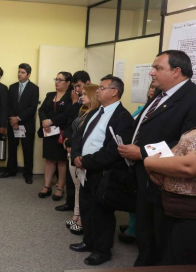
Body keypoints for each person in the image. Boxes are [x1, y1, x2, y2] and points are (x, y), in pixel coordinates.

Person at [118, 50, 196, 266]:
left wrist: (142, 153)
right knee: (145, 230)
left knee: (160, 236)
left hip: (165, 180)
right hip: (144, 175)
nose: (151, 72)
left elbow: (186, 144)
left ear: (177, 71)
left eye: (158, 68)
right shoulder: (162, 94)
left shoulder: (192, 97)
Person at [69, 75, 134, 266]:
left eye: (102, 88)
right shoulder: (95, 112)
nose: (97, 90)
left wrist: (86, 161)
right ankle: (89, 242)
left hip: (103, 172)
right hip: (86, 170)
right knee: (87, 208)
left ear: (114, 91)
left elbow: (113, 151)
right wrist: (76, 156)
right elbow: (78, 137)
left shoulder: (123, 117)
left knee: (101, 213)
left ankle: (102, 251)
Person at [144, 129, 196, 265]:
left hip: (190, 213)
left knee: (183, 263)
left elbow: (189, 166)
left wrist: (149, 163)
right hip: (179, 211)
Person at [118, 80, 157, 244]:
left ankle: (135, 230)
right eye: (151, 88)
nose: (151, 91)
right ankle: (134, 225)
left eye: (155, 88)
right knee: (134, 194)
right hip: (132, 158)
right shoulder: (143, 108)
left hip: (148, 159)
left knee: (142, 197)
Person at [63, 83, 100, 235]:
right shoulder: (83, 111)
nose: (81, 96)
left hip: (81, 154)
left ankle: (81, 219)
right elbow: (74, 130)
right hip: (73, 152)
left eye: (84, 94)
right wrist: (68, 141)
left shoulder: (96, 113)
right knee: (77, 186)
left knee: (81, 187)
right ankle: (76, 215)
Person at [56, 70, 91, 211]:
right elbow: (71, 121)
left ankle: (78, 210)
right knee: (72, 179)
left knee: (79, 181)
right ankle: (71, 203)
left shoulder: (90, 99)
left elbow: (82, 123)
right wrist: (67, 139)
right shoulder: (77, 98)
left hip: (81, 147)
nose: (76, 89)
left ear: (87, 83)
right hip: (71, 141)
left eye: (79, 86)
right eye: (75, 86)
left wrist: (76, 103)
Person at [0, 63, 39, 184]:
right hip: (12, 123)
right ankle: (11, 170)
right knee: (12, 148)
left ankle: (28, 174)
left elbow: (32, 107)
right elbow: (8, 105)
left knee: (27, 149)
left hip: (26, 124)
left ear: (28, 74)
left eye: (22, 72)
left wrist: (19, 118)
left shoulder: (34, 88)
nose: (19, 74)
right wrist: (13, 119)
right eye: (19, 72)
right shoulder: (12, 87)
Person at [37, 71, 72, 200]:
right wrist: (45, 121)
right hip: (49, 132)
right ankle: (47, 186)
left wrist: (52, 121)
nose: (56, 82)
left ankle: (60, 188)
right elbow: (42, 110)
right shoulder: (50, 94)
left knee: (61, 161)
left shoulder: (71, 97)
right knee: (49, 159)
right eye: (56, 79)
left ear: (68, 83)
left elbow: (68, 114)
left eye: (60, 80)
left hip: (61, 133)